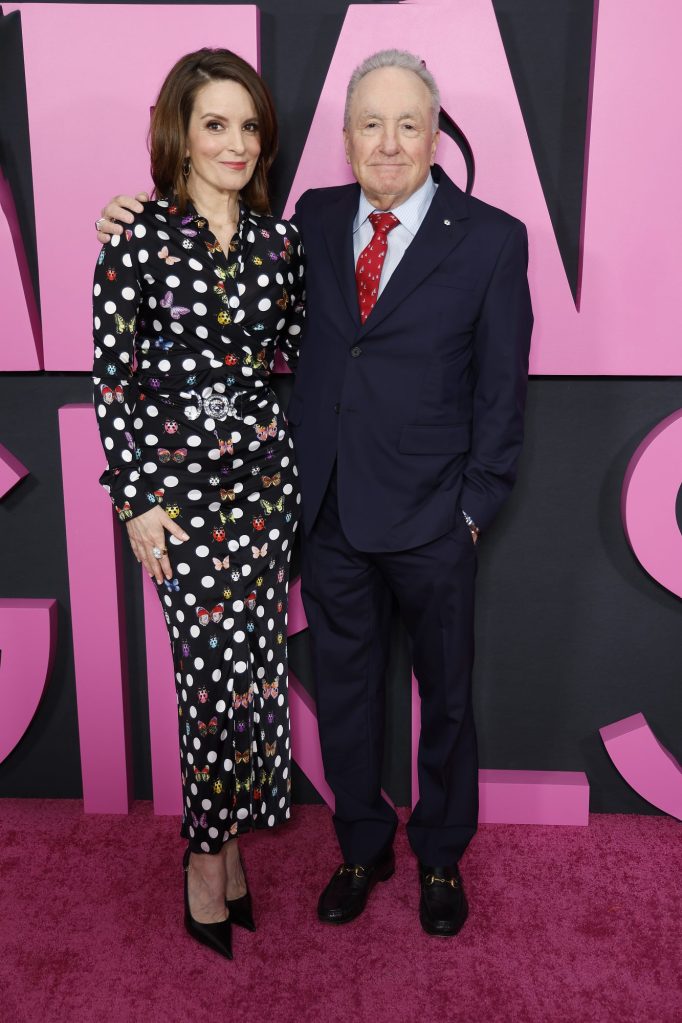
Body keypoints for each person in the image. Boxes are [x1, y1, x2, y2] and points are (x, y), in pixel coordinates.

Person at [96, 47, 532, 938]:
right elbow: (155, 355)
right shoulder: (312, 220)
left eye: (409, 123)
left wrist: (474, 509)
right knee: (343, 691)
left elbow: (502, 388)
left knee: (445, 695)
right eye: (370, 123)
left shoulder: (491, 237)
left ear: (437, 136)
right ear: (344, 139)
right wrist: (126, 212)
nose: (388, 142)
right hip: (320, 511)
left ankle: (442, 852)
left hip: (429, 515)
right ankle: (362, 843)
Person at [92, 47, 304, 959]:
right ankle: (205, 857)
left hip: (266, 490)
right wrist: (135, 500)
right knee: (205, 683)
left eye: (249, 125)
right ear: (180, 136)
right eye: (216, 124)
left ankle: (233, 851)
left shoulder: (280, 244)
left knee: (257, 678)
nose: (238, 142)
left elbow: (303, 351)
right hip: (178, 504)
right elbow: (112, 383)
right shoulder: (136, 241)